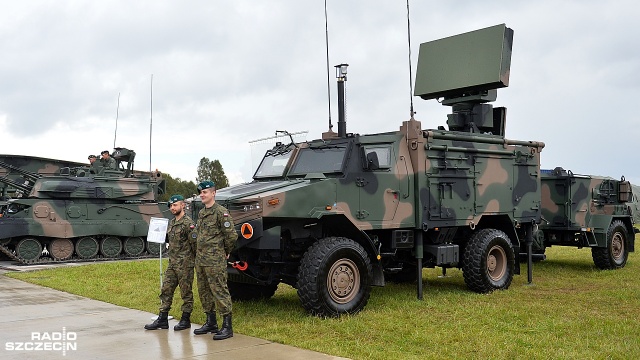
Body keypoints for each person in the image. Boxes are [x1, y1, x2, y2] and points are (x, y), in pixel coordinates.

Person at [192, 180, 238, 340]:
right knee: (203, 290)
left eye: (205, 192)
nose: (202, 195)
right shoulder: (202, 213)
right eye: (201, 193)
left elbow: (231, 235)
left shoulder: (221, 212)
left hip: (215, 260)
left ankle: (227, 326)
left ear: (213, 193)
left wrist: (226, 251)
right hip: (201, 259)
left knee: (219, 289)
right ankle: (210, 322)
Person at [144, 194, 196, 331]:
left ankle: (185, 319)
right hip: (172, 264)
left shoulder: (188, 224)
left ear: (182, 205)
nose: (172, 208)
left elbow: (195, 244)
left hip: (185, 264)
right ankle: (162, 318)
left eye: (175, 205)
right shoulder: (172, 223)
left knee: (186, 292)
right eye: (171, 206)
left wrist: (191, 261)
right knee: (166, 290)